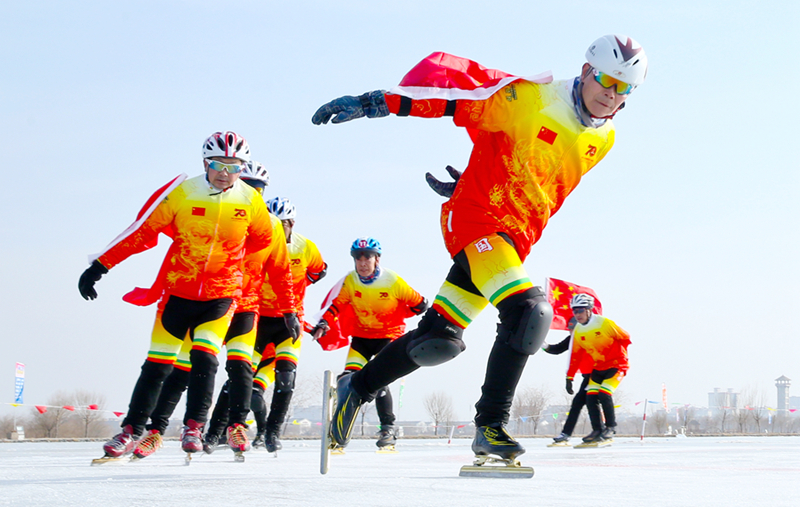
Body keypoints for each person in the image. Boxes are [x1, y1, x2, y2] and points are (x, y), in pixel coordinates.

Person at [310, 35, 647, 461]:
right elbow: (454, 99)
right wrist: (375, 101)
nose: (610, 94)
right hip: (476, 221)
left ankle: (354, 388)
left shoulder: (605, 137)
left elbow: (536, 177)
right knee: (529, 310)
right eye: (604, 79)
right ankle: (491, 426)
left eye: (624, 87)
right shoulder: (528, 97)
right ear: (585, 72)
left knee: (439, 339)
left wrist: (478, 174)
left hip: (512, 238)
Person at [79, 132, 279, 458]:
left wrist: (230, 264)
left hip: (221, 295)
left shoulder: (250, 201)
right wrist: (100, 266)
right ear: (205, 163)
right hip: (178, 291)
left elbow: (261, 240)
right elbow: (142, 231)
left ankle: (193, 427)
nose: (225, 172)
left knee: (205, 356)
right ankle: (130, 429)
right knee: (157, 365)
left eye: (234, 166)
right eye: (218, 165)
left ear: (242, 167)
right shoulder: (184, 193)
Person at [130, 161, 299, 459]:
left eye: (259, 190)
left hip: (244, 307)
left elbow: (281, 272)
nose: (253, 193)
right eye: (249, 186)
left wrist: (290, 312)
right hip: (210, 302)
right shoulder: (219, 214)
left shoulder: (267, 225)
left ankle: (235, 426)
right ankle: (155, 430)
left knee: (240, 367)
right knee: (181, 368)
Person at [204, 196, 327, 453]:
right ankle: (214, 432)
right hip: (258, 320)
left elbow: (319, 270)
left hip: (287, 323)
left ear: (291, 224)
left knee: (285, 379)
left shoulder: (306, 247)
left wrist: (298, 292)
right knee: (238, 377)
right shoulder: (257, 244)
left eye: (280, 225)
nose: (273, 229)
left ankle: (271, 433)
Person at [312, 237, 427, 448]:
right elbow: (336, 306)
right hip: (362, 339)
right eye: (358, 258)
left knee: (380, 383)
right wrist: (323, 324)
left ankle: (388, 430)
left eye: (368, 258)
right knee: (347, 381)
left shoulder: (392, 280)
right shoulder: (351, 281)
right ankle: (340, 430)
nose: (362, 263)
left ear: (377, 259)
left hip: (387, 339)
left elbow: (420, 304)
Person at [566, 293, 631, 443]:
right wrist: (569, 377)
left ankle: (611, 427)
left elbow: (625, 337)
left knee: (604, 393)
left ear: (589, 310)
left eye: (580, 310)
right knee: (590, 397)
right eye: (574, 311)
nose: (577, 314)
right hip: (598, 368)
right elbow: (575, 355)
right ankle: (597, 430)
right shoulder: (578, 330)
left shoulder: (605, 323)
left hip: (616, 366)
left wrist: (620, 356)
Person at [542, 318, 592, 445]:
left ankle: (604, 430)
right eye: (569, 330)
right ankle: (566, 434)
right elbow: (556, 349)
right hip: (588, 377)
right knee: (579, 403)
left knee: (590, 402)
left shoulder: (591, 337)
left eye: (573, 330)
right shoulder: (572, 339)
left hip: (599, 374)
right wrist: (542, 344)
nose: (570, 333)